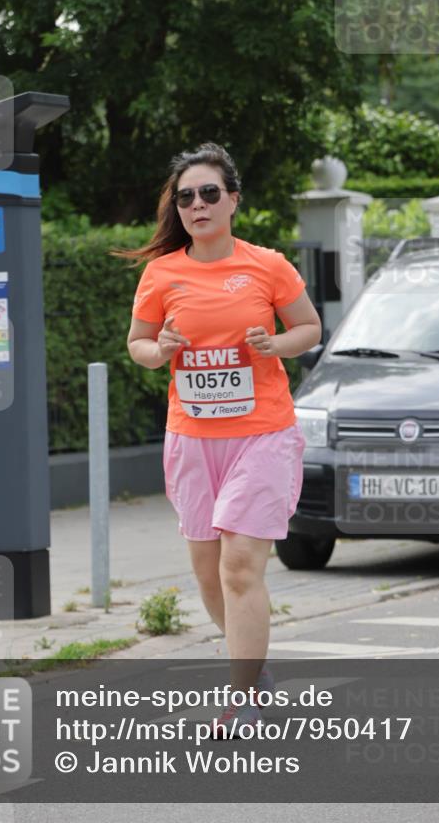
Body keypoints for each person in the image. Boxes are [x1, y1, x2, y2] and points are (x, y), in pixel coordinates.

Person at [118, 142, 322, 737]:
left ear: (233, 199)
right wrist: (162, 351)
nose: (197, 204)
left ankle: (240, 698)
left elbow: (309, 327)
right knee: (209, 574)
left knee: (238, 568)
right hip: (193, 439)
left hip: (262, 434)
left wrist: (274, 345)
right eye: (186, 197)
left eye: (210, 193)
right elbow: (139, 345)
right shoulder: (162, 274)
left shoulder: (268, 265)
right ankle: (253, 670)